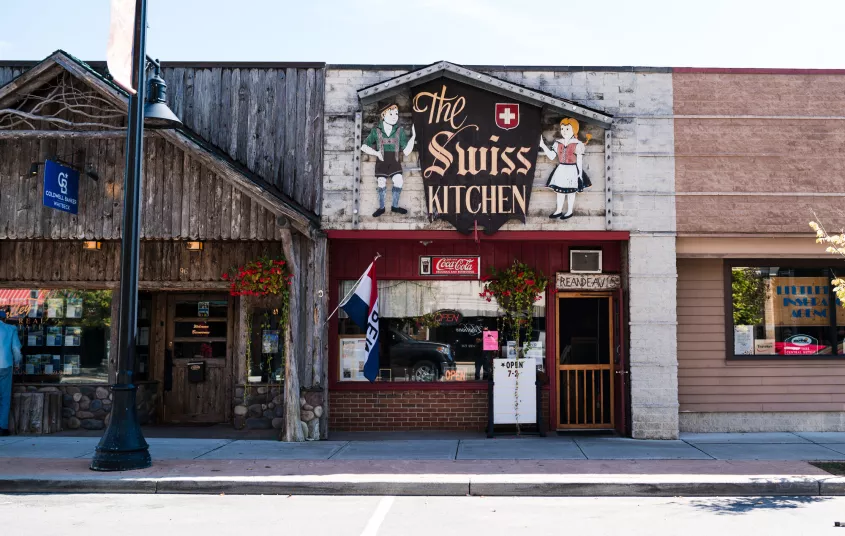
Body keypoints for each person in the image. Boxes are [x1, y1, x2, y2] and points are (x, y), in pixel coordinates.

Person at [361, 103, 416, 217]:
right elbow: (364, 146)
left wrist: (413, 136)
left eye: (396, 113)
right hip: (381, 161)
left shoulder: (399, 131)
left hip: (395, 162)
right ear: (383, 115)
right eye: (391, 113)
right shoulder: (376, 131)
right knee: (381, 183)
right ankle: (381, 208)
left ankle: (395, 206)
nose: (394, 116)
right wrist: (376, 153)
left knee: (399, 181)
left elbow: (406, 151)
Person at [539, 118, 592, 220]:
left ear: (574, 130)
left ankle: (569, 211)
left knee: (571, 192)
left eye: (567, 129)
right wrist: (543, 146)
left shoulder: (577, 143)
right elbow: (551, 156)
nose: (564, 131)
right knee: (560, 191)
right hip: (561, 168)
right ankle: (559, 210)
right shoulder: (558, 143)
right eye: (563, 128)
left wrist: (579, 174)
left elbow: (579, 160)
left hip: (572, 169)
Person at [0, 308, 22, 436]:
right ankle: (2, 427)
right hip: (5, 365)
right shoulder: (11, 329)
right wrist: (17, 364)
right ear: (4, 318)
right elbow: (16, 350)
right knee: (4, 397)